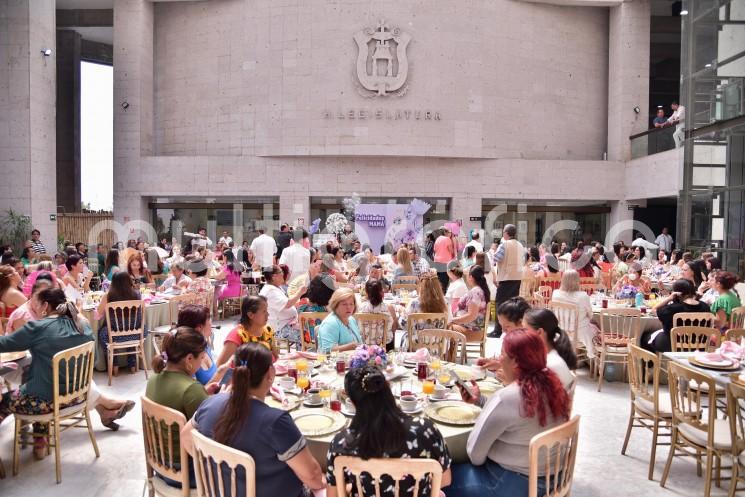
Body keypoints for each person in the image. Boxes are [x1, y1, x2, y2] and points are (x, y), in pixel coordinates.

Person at [182, 343, 325, 497]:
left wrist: (219, 469)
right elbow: (313, 477)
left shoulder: (210, 403)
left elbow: (185, 437)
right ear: (271, 374)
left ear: (234, 372)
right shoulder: (276, 422)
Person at [448, 329, 571, 497]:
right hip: (553, 479)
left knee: (437, 477)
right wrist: (480, 400)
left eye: (502, 354)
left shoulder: (507, 398)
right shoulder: (554, 386)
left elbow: (475, 455)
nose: (499, 359)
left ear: (515, 363)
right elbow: (519, 417)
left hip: (512, 485)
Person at [326, 365, 452, 497]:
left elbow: (333, 495)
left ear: (352, 401)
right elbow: (445, 479)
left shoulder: (341, 442)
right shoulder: (426, 430)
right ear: (388, 388)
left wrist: (353, 487)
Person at [0, 289, 94, 458]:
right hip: (77, 397)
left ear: (45, 306)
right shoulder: (83, 324)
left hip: (47, 402)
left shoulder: (39, 327)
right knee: (32, 380)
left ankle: (37, 442)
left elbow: (5, 344)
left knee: (5, 400)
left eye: (36, 304)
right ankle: (39, 444)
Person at [145, 327, 209, 489]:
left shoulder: (154, 378)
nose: (201, 364)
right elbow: (212, 432)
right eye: (201, 358)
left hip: (159, 465)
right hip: (187, 473)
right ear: (189, 359)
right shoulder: (191, 389)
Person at [97, 271, 148, 375]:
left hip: (115, 336)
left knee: (102, 333)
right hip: (136, 335)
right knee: (133, 327)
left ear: (113, 283)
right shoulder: (137, 294)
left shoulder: (108, 296)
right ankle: (132, 365)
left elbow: (98, 314)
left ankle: (114, 364)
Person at [643, 279, 710, 353]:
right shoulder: (705, 307)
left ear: (677, 292)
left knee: (644, 337)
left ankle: (652, 364)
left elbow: (654, 310)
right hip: (699, 345)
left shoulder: (673, 308)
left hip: (672, 343)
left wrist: (669, 299)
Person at [176, 304, 229, 386]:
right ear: (199, 328)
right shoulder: (187, 358)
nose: (211, 325)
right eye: (209, 322)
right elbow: (195, 394)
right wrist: (220, 373)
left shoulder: (205, 346)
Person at [524, 308, 577, 390]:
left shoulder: (550, 365)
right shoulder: (548, 355)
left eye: (525, 330)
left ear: (539, 333)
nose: (521, 334)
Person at [217, 296, 277, 367]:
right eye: (264, 311)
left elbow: (276, 356)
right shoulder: (237, 335)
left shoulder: (267, 331)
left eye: (267, 310)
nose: (267, 314)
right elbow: (220, 365)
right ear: (250, 315)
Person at [551, 270, 597, 357]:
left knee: (592, 325)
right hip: (580, 333)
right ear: (577, 281)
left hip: (561, 330)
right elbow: (591, 315)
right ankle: (591, 359)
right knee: (595, 327)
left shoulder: (555, 293)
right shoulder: (582, 296)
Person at [492, 224, 524, 337]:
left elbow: (495, 258)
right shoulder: (520, 245)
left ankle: (498, 330)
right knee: (513, 304)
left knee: (500, 304)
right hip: (517, 277)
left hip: (506, 278)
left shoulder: (504, 244)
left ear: (505, 233)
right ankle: (513, 327)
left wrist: (492, 252)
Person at [260, 265, 304, 346]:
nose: (283, 274)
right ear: (274, 276)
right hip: (279, 329)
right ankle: (302, 356)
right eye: (281, 272)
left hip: (288, 323)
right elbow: (287, 304)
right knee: (305, 335)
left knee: (308, 329)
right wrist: (300, 292)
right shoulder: (270, 291)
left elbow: (287, 304)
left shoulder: (275, 288)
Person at [450, 265, 490, 342]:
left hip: (471, 331)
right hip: (472, 329)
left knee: (443, 328)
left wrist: (452, 320)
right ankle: (451, 353)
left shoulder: (475, 292)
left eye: (467, 276)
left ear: (471, 277)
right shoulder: (481, 290)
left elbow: (471, 315)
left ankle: (449, 354)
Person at [317, 287, 362, 352]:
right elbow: (327, 351)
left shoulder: (351, 319)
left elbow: (359, 343)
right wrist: (349, 347)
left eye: (351, 304)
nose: (349, 307)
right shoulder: (330, 323)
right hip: (332, 361)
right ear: (335, 305)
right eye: (344, 304)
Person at [358, 278, 398, 350]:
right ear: (381, 291)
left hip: (364, 347)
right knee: (392, 334)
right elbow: (394, 328)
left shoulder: (360, 308)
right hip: (384, 347)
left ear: (366, 293)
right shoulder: (389, 308)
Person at [434, 227, 456, 292]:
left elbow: (435, 250)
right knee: (444, 280)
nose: (450, 234)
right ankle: (443, 295)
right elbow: (451, 251)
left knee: (439, 279)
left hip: (437, 261)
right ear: (445, 232)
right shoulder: (447, 239)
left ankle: (439, 293)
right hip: (445, 261)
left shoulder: (437, 239)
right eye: (449, 232)